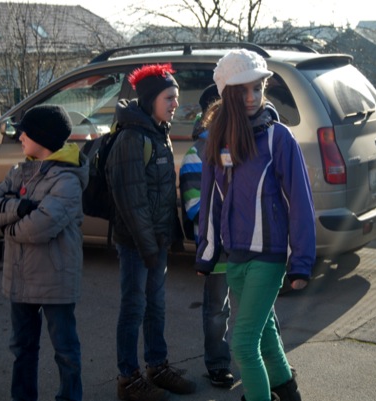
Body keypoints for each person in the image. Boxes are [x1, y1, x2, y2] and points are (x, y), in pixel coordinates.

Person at [195, 49, 316, 401]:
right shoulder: (217, 140)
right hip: (235, 257)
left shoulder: (279, 138)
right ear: (227, 95)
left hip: (269, 256)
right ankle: (288, 393)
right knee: (264, 336)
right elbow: (212, 199)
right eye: (242, 90)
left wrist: (301, 262)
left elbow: (301, 202)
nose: (251, 97)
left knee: (243, 343)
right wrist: (207, 252)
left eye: (257, 88)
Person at [0, 104, 89, 401]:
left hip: (55, 280)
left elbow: (40, 227)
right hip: (20, 278)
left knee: (65, 350)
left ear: (42, 138)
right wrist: (18, 208)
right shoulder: (19, 172)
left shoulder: (67, 179)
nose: (20, 138)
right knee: (22, 348)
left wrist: (6, 228)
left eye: (25, 133)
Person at [105, 63, 196, 401]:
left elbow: (161, 195)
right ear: (149, 100)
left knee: (155, 305)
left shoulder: (158, 132)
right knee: (134, 308)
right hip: (137, 244)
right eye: (169, 97)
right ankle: (128, 379)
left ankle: (156, 366)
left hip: (155, 241)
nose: (175, 103)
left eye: (176, 97)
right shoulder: (132, 138)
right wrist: (148, 247)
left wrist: (168, 238)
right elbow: (132, 202)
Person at [180, 83, 235, 388]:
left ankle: (269, 360)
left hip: (246, 246)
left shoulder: (236, 148)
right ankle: (218, 363)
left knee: (259, 309)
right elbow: (195, 208)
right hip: (217, 248)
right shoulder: (196, 155)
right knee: (217, 310)